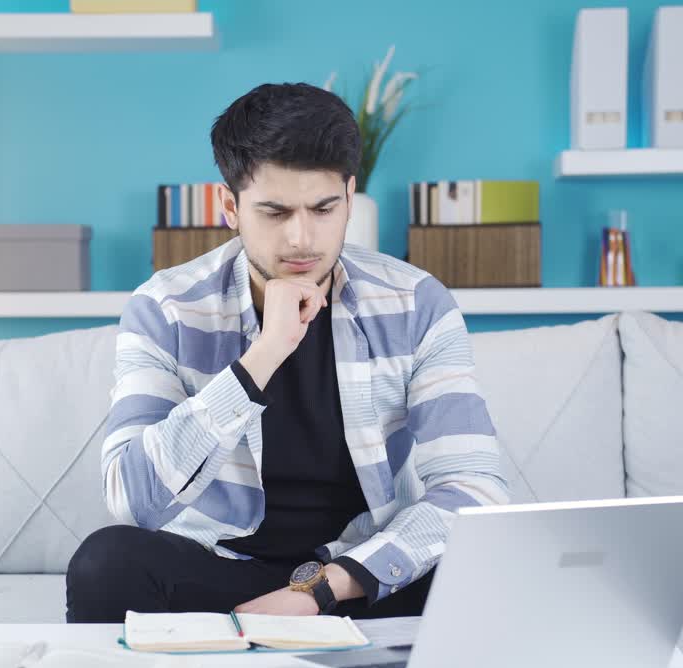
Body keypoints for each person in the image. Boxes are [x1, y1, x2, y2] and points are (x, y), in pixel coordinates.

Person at [66, 82, 508, 623]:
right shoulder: (167, 307)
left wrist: (320, 591)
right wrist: (261, 358)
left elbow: (473, 486)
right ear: (230, 206)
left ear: (349, 196)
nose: (303, 239)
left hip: (355, 576)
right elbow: (131, 499)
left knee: (484, 565)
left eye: (324, 209)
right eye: (275, 213)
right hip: (223, 566)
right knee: (104, 562)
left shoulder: (416, 303)